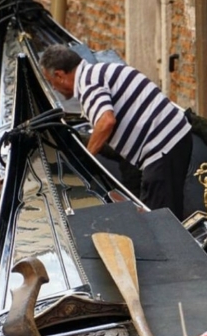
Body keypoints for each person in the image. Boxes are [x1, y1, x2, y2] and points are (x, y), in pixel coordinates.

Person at [39, 44, 193, 221]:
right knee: (167, 210)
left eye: (51, 83)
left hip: (163, 145)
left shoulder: (87, 83)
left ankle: (173, 246)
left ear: (59, 75)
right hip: (174, 137)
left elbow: (106, 121)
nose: (54, 89)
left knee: (158, 220)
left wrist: (85, 160)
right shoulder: (100, 71)